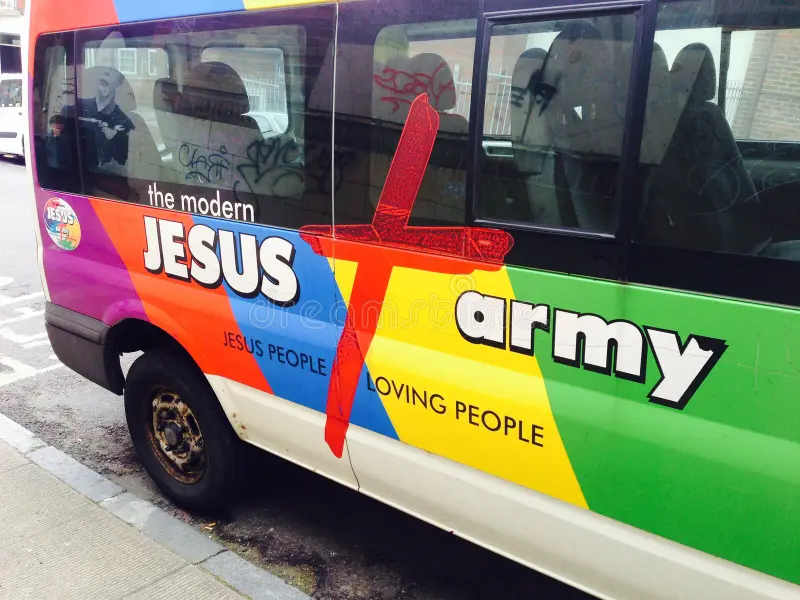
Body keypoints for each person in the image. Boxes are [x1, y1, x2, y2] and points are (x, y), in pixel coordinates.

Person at [76, 66, 134, 170]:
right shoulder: (76, 108)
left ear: (119, 83)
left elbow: (120, 168)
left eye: (112, 70)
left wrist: (111, 139)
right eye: (103, 69)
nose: (106, 72)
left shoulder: (125, 124)